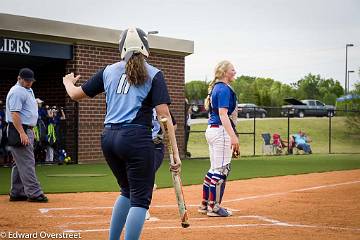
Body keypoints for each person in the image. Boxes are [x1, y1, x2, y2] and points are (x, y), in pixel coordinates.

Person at [62, 27, 181, 240]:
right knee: (140, 200)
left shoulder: (108, 70)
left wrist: (67, 82)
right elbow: (164, 116)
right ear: (145, 48)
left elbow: (75, 95)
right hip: (136, 139)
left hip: (108, 138)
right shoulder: (154, 74)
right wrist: (175, 153)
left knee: (126, 191)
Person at [198, 60, 239, 217]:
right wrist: (233, 136)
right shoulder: (223, 89)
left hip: (212, 130)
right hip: (220, 131)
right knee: (221, 169)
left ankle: (204, 204)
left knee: (214, 169)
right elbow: (223, 114)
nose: (234, 72)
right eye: (232, 69)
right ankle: (214, 207)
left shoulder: (216, 87)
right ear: (224, 72)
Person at [5, 68, 48, 202]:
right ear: (19, 78)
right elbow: (15, 114)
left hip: (25, 129)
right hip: (18, 129)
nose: (29, 83)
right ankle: (35, 193)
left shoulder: (27, 90)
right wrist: (22, 133)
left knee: (19, 163)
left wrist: (29, 131)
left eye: (31, 81)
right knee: (28, 162)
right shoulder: (17, 91)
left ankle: (17, 192)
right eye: (27, 80)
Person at [146, 109, 177, 220]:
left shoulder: (160, 107)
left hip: (156, 147)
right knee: (138, 178)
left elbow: (173, 125)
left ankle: (143, 208)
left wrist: (164, 134)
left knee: (147, 175)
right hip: (139, 145)